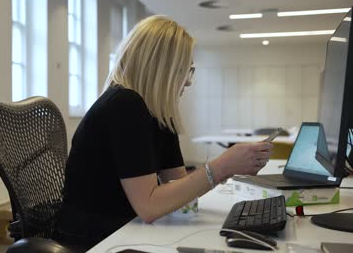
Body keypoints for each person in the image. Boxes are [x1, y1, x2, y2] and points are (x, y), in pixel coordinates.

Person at [53, 15, 272, 251]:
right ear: (162, 68)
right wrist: (220, 168)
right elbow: (150, 206)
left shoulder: (156, 112)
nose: (188, 82)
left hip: (124, 228)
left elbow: (179, 186)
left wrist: (228, 168)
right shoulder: (124, 104)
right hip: (93, 239)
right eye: (185, 70)